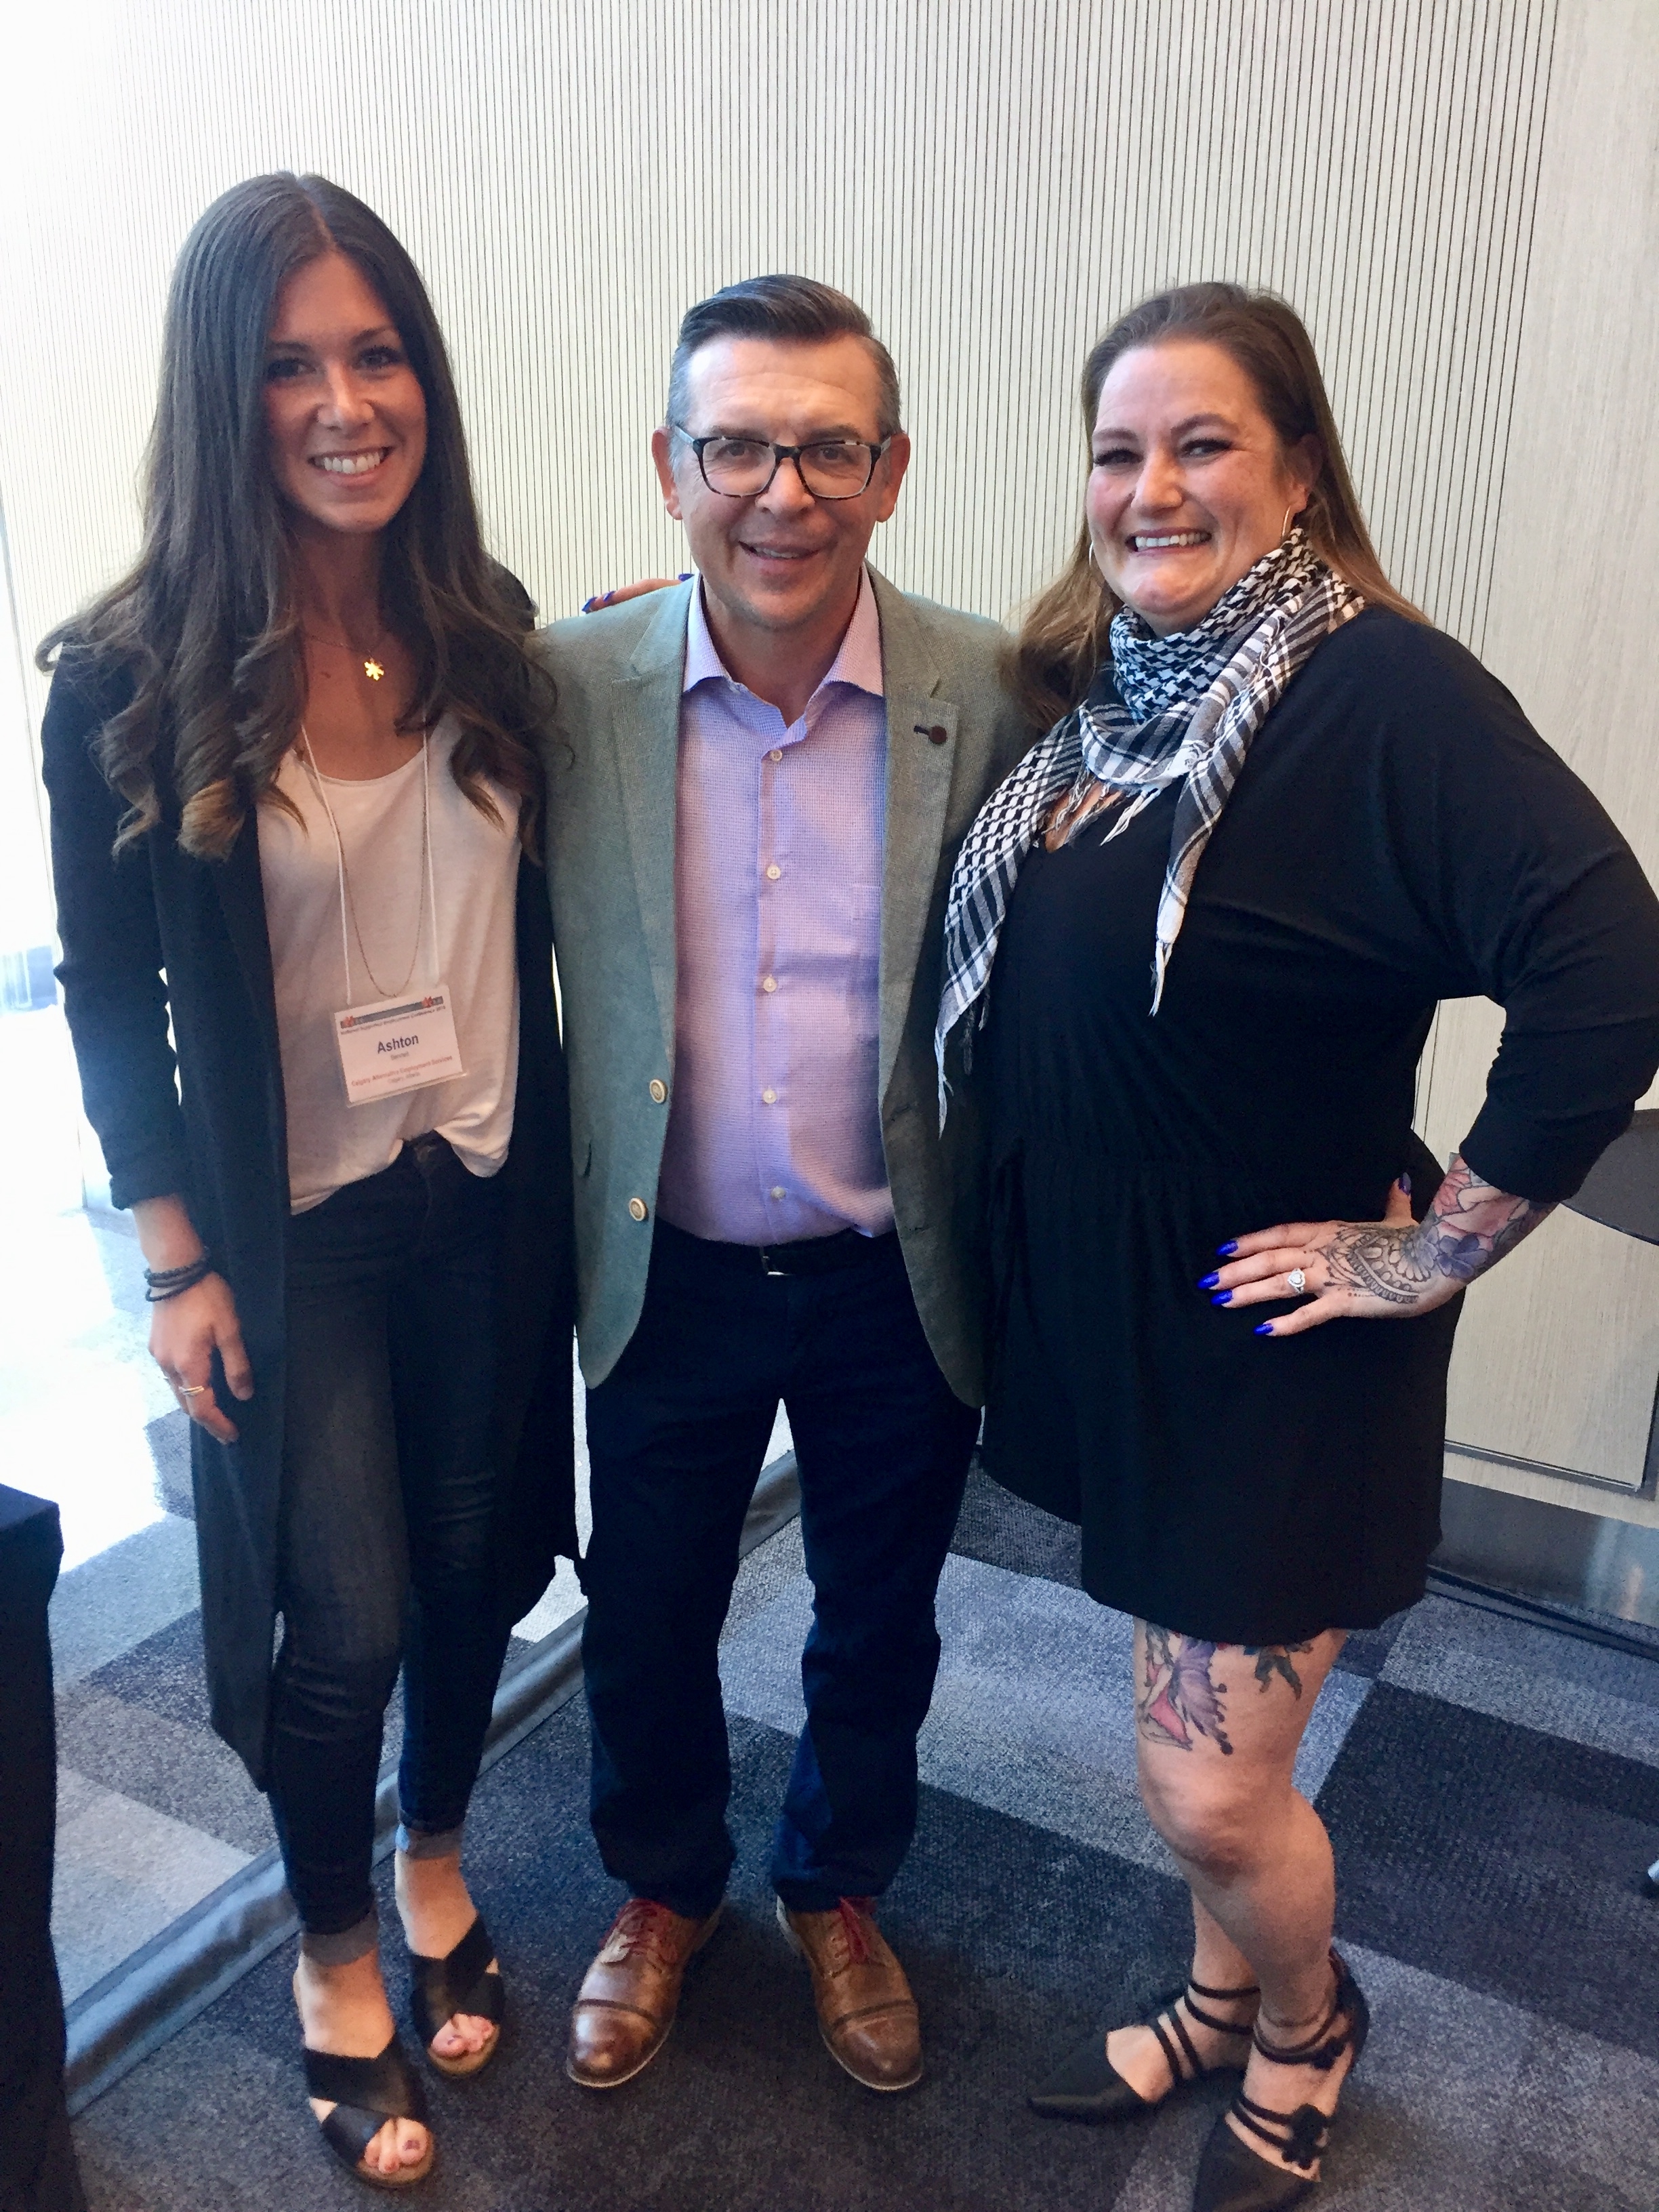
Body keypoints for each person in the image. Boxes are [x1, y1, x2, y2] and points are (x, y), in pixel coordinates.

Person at [937, 282, 1659, 2211]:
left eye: (1204, 444)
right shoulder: (1109, 697)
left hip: (1273, 1343)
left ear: (1302, 468)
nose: (1152, 487)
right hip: (1132, 1315)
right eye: (1119, 451)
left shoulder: (1376, 692)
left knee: (1208, 1782)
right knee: (1183, 1722)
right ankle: (1215, 1989)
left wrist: (1433, 1252)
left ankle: (1309, 2025)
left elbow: (1609, 966)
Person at [41, 173, 576, 2190]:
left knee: (479, 1567)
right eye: (290, 367)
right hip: (298, 1233)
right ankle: (333, 1946)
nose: (347, 405)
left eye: (377, 355)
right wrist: (172, 1258)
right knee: (339, 1611)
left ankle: (436, 1852)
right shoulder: (126, 678)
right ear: (225, 393)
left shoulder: (483, 626)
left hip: (488, 1193)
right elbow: (109, 998)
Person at [538, 276, 1033, 2095]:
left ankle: (837, 1887)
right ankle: (663, 1887)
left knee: (877, 1616)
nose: (782, 492)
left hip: (890, 1269)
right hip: (662, 1261)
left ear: (891, 471)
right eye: (737, 447)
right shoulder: (570, 688)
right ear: (671, 467)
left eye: (829, 449)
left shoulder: (994, 689)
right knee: (648, 1608)